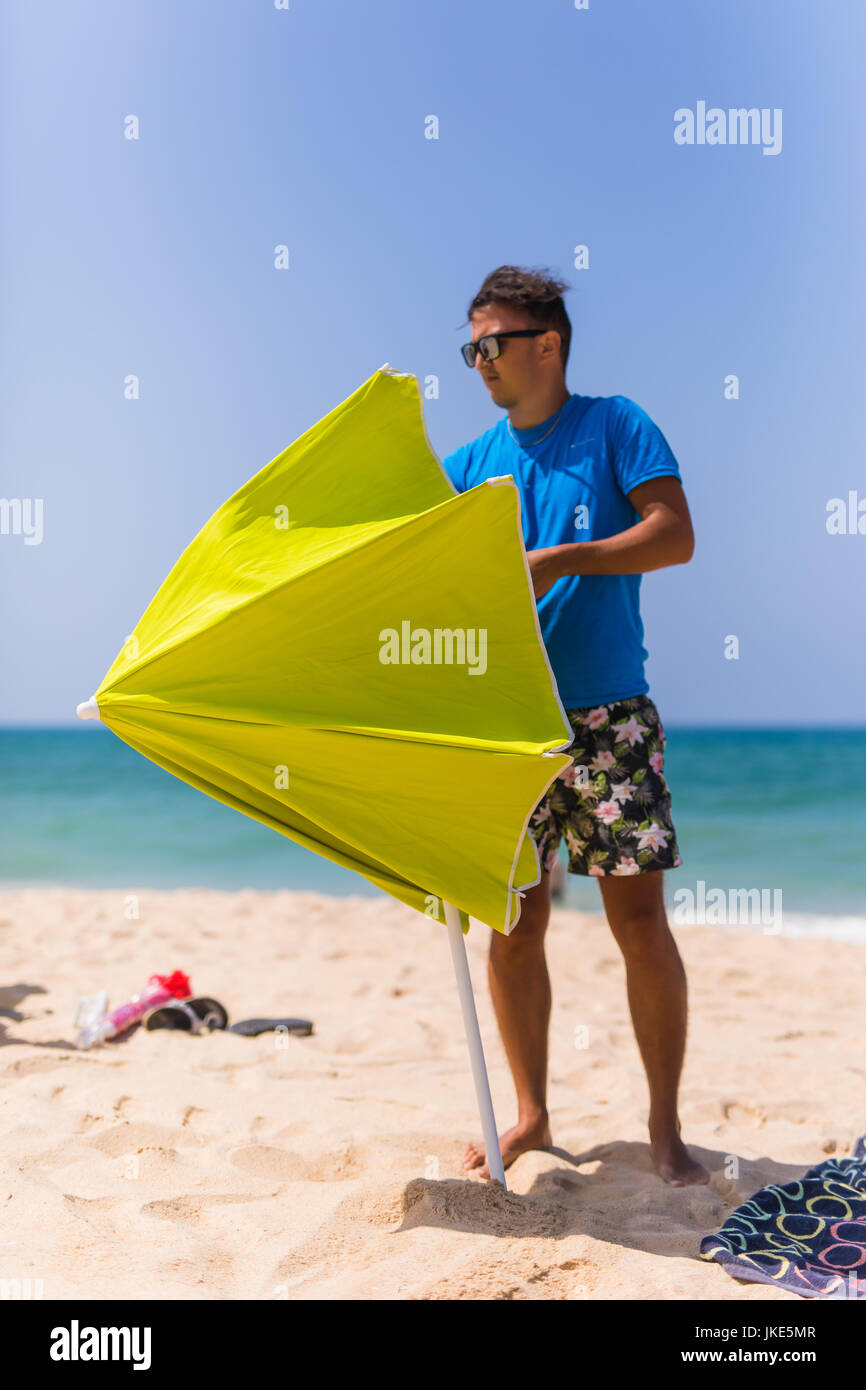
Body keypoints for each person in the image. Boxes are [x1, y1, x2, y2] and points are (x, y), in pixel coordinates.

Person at [442, 264, 708, 1187]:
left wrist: (562, 558)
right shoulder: (471, 467)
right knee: (513, 927)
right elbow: (410, 563)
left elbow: (673, 534)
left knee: (639, 924)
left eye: (492, 344)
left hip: (609, 715)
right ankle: (531, 1116)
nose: (478, 362)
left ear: (546, 344)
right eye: (470, 347)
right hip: (509, 725)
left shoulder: (615, 424)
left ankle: (665, 1130)